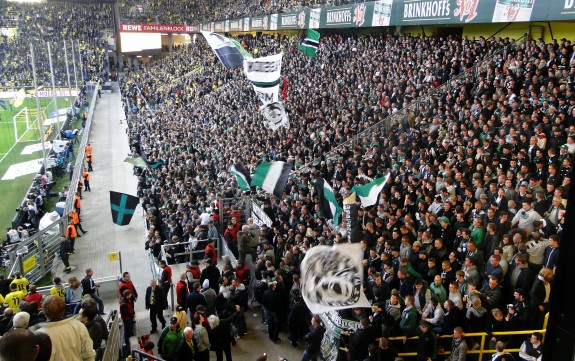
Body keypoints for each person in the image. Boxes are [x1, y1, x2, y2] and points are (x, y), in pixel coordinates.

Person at [36, 295, 95, 361]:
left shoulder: (40, 335)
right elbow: (89, 355)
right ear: (64, 309)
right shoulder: (78, 326)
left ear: (44, 313)